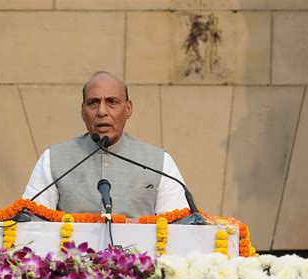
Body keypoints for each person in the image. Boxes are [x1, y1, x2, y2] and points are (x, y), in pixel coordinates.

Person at [22, 71, 188, 217]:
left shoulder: (159, 162)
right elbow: (30, 223)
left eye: (112, 101)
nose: (102, 111)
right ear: (83, 112)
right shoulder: (53, 159)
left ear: (128, 109)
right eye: (93, 103)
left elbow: (179, 228)